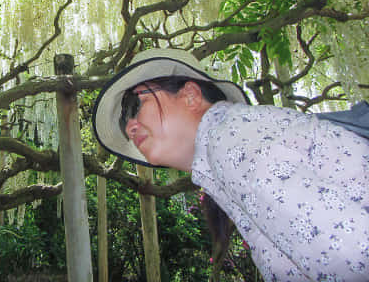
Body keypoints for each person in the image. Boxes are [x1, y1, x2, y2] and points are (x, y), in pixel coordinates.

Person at [92, 48, 369, 281]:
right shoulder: (224, 150)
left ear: (190, 95)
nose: (129, 126)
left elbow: (350, 253)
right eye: (121, 121)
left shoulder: (229, 138)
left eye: (132, 106)